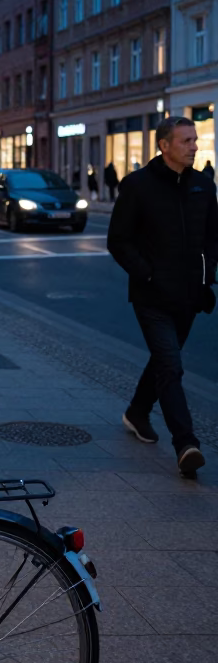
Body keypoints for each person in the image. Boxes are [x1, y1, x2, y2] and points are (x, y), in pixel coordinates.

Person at [108, 116, 218, 476]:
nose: (194, 146)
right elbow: (118, 241)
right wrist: (148, 274)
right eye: (186, 140)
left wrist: (207, 277)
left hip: (189, 297)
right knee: (171, 366)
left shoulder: (204, 186)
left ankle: (137, 412)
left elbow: (212, 238)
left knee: (162, 361)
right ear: (164, 145)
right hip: (151, 296)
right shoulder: (138, 185)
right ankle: (186, 444)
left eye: (195, 139)